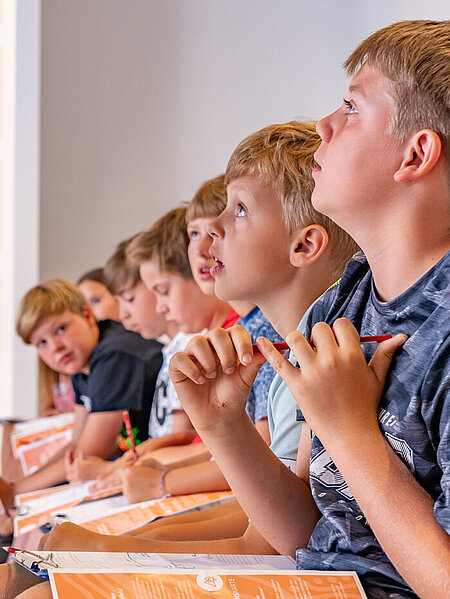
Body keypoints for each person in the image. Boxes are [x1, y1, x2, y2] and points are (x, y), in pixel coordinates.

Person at [167, 20, 450, 599]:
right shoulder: (343, 300)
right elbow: (310, 532)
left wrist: (350, 432)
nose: (323, 124)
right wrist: (224, 425)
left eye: (350, 107)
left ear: (416, 154)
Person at [35, 120, 357, 554]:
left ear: (303, 245)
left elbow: (270, 541)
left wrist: (111, 546)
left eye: (238, 210)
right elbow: (264, 525)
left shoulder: (315, 357)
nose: (212, 235)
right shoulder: (292, 357)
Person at [0, 279, 163, 508]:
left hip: (157, 461)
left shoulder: (113, 356)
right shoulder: (81, 366)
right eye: (42, 343)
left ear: (87, 316)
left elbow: (89, 454)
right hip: (134, 458)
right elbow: (76, 444)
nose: (55, 347)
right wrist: (17, 487)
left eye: (61, 329)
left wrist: (15, 491)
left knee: (47, 510)